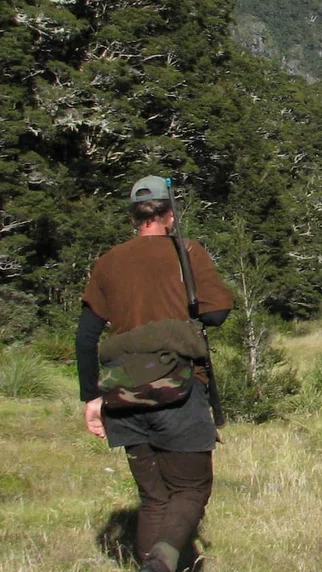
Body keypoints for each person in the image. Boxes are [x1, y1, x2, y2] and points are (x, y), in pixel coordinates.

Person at [77, 175, 233, 572]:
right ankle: (162, 562)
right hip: (178, 388)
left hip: (123, 393)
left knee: (153, 499)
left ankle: (155, 564)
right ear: (169, 215)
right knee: (192, 488)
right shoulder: (188, 253)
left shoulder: (108, 262)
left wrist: (90, 398)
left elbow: (86, 335)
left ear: (135, 218)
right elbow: (216, 314)